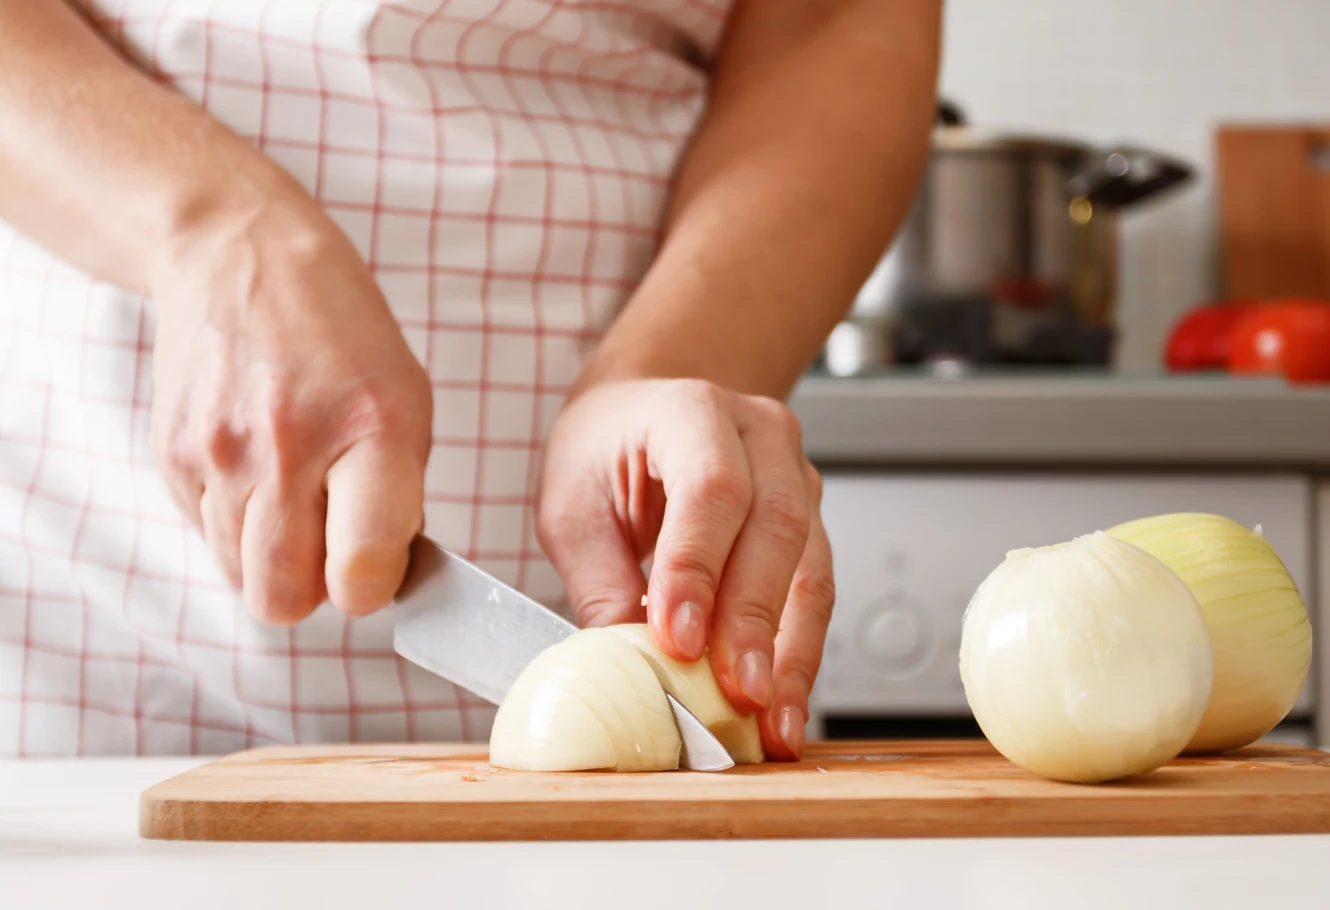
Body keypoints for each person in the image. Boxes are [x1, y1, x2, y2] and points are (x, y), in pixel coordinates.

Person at [0, 0, 940, 759]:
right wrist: (213, 229)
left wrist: (672, 365)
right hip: (80, 584)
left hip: (610, 578)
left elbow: (835, 21)